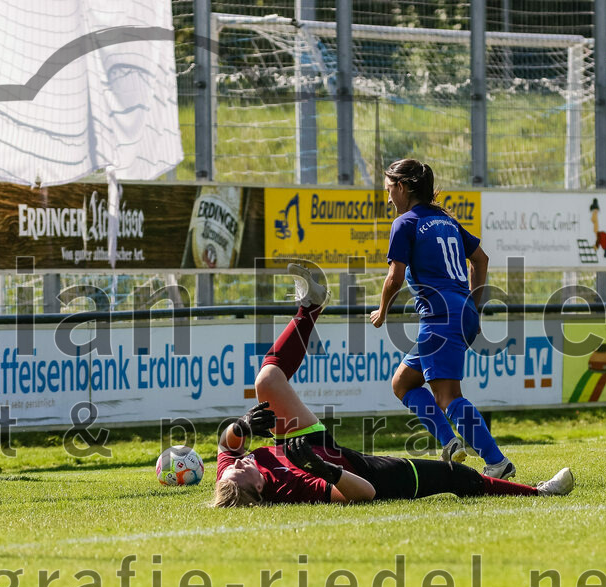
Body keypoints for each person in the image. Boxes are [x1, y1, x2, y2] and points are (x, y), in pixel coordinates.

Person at [212, 266, 573, 507]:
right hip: (364, 473)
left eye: (233, 465)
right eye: (241, 469)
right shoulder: (290, 487)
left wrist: (241, 425)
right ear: (259, 487)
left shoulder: (229, 474)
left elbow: (224, 445)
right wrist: (321, 469)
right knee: (456, 476)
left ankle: (310, 307)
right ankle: (539, 491)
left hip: (308, 444)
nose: (239, 461)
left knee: (267, 381)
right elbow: (364, 494)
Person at [370, 159, 515, 479]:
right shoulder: (444, 220)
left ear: (403, 187)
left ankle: (498, 463)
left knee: (448, 397)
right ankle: (450, 442)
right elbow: (480, 257)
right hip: (458, 311)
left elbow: (394, 278)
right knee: (403, 382)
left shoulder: (405, 223)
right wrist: (472, 306)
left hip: (440, 318)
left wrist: (383, 311)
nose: (388, 197)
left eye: (389, 189)